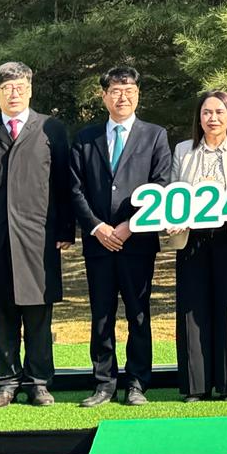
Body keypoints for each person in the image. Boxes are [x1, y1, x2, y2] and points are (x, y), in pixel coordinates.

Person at [0, 61, 74, 409]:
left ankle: (39, 382)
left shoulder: (51, 129)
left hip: (39, 236)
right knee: (3, 312)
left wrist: (67, 229)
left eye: (20, 86)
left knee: (38, 312)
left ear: (30, 89)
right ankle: (6, 383)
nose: (14, 93)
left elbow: (64, 185)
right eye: (7, 87)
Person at [69, 65, 173, 407]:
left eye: (128, 91)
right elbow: (74, 189)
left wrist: (129, 226)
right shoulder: (85, 138)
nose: (122, 96)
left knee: (138, 313)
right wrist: (97, 227)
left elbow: (161, 184)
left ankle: (137, 382)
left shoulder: (154, 135)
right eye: (115, 91)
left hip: (137, 241)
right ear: (103, 97)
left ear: (138, 94)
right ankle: (104, 383)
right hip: (98, 241)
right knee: (101, 314)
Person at [165, 90, 227, 401]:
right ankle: (196, 385)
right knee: (192, 310)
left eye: (220, 112)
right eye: (207, 112)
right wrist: (172, 218)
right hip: (192, 238)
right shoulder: (183, 150)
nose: (213, 118)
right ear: (199, 117)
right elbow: (173, 193)